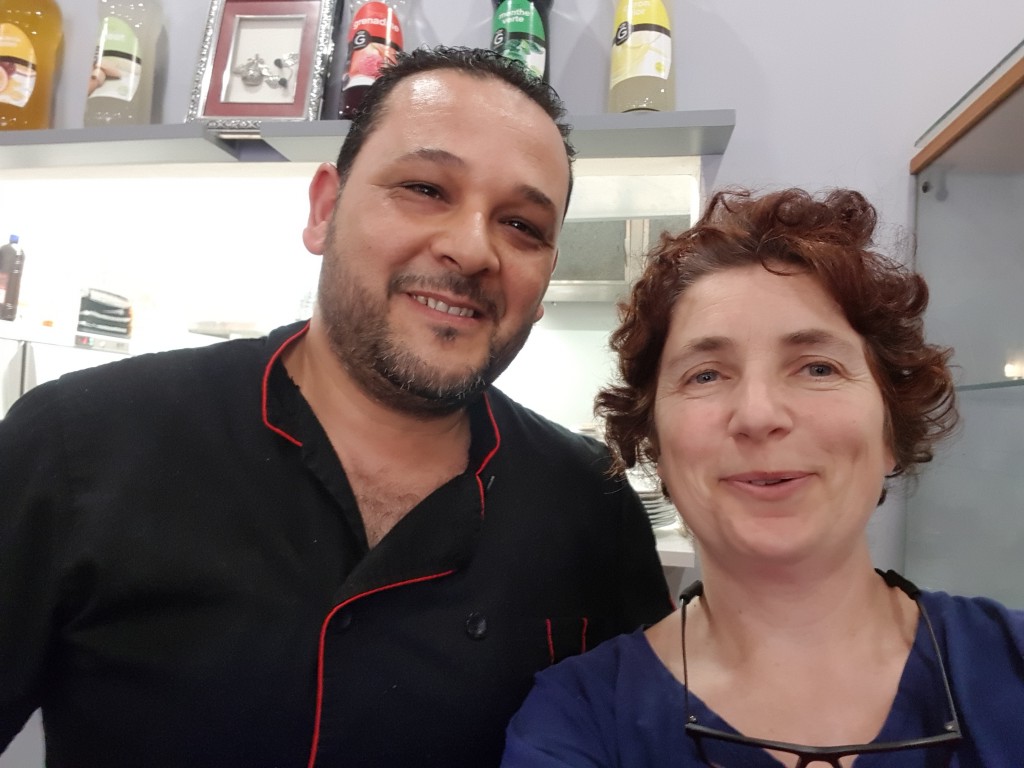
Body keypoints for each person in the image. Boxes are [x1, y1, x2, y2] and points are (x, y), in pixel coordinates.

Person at [0, 47, 673, 768]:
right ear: (325, 209)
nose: (473, 248)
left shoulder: (592, 506)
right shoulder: (77, 446)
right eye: (425, 187)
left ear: (543, 283)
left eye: (523, 226)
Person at [501, 187, 1024, 767]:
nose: (757, 415)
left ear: (890, 431)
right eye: (705, 375)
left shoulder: (1010, 663)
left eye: (817, 367)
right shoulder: (578, 720)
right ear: (655, 445)